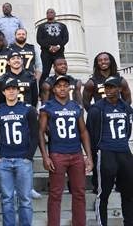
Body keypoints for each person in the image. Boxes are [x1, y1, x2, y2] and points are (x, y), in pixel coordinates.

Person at [38, 75, 93, 226]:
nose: (62, 88)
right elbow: (40, 132)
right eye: (59, 86)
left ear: (69, 88)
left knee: (80, 193)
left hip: (76, 154)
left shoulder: (76, 107)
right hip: (57, 154)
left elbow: (83, 132)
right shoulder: (47, 107)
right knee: (55, 194)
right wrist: (45, 156)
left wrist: (88, 156)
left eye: (65, 85)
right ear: (54, 89)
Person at [86, 76, 133, 226]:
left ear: (119, 89)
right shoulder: (97, 108)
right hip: (105, 153)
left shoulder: (126, 107)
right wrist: (92, 157)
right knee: (103, 194)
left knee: (129, 193)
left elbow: (128, 129)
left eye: (112, 87)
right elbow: (91, 134)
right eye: (106, 87)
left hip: (124, 153)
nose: (108, 90)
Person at [0, 78, 39, 226]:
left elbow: (35, 134)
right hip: (4, 160)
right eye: (8, 88)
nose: (11, 91)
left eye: (14, 88)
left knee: (25, 198)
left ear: (18, 91)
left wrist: (28, 156)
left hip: (22, 159)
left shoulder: (28, 109)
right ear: (3, 92)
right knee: (7, 198)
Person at [36, 8, 69, 85]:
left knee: (61, 70)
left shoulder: (62, 26)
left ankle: (63, 87)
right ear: (46, 15)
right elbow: (39, 40)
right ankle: (42, 93)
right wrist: (49, 47)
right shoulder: (41, 26)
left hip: (59, 53)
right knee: (44, 72)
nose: (50, 14)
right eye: (48, 12)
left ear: (55, 14)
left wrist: (58, 46)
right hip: (46, 53)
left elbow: (66, 38)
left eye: (51, 12)